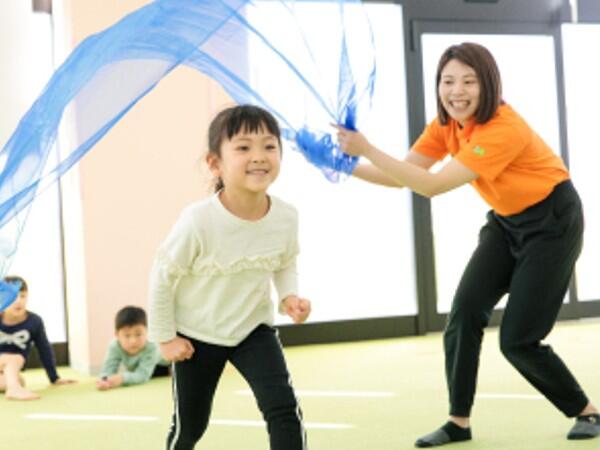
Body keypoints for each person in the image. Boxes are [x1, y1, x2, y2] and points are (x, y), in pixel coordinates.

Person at [334, 42, 599, 446]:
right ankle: (459, 422)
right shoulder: (446, 125)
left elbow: (432, 186)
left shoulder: (503, 128)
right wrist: (343, 165)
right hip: (506, 223)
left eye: (469, 81)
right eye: (448, 81)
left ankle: (587, 412)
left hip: (553, 223)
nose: (456, 91)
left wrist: (366, 148)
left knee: (518, 340)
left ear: (488, 84)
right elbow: (404, 174)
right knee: (463, 313)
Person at [148, 104, 311, 450]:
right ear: (214, 163)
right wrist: (165, 338)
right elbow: (162, 278)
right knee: (190, 425)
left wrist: (289, 297)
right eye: (243, 147)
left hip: (253, 328)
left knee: (282, 409)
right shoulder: (198, 221)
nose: (259, 156)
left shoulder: (285, 216)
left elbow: (284, 261)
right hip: (197, 334)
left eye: (269, 146)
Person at [0, 275, 76, 400]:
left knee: (17, 380)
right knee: (15, 358)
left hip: (7, 369)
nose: (18, 301)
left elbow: (44, 348)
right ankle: (13, 390)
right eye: (12, 297)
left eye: (22, 296)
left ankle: (14, 386)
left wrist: (54, 377)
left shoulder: (34, 321)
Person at [96, 305, 169, 390]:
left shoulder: (151, 346)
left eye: (138, 334)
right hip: (139, 367)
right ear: (117, 335)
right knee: (133, 373)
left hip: (163, 364)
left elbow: (142, 375)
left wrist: (122, 378)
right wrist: (104, 380)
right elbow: (107, 369)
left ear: (147, 332)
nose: (133, 341)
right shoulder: (114, 346)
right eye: (127, 335)